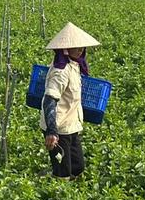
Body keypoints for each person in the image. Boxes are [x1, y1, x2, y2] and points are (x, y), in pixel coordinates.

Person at [40, 22, 100, 180]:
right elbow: (49, 100)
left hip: (71, 124)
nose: (80, 50)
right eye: (76, 47)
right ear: (66, 49)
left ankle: (71, 187)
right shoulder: (60, 71)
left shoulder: (75, 65)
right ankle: (57, 189)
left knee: (78, 166)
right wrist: (51, 132)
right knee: (63, 170)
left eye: (82, 47)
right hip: (59, 126)